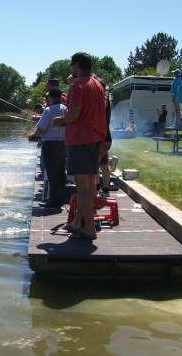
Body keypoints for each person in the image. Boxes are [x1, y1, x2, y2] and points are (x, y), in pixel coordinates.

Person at [52, 52, 107, 240]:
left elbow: (74, 115)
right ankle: (78, 222)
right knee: (89, 185)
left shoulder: (79, 86)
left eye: (71, 65)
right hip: (94, 139)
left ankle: (89, 227)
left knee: (82, 187)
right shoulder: (97, 84)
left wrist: (57, 121)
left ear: (76, 66)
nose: (70, 68)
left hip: (80, 140)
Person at [28, 89, 67, 208]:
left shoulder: (48, 110)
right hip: (62, 144)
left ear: (50, 97)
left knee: (51, 174)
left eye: (47, 97)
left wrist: (31, 136)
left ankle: (53, 201)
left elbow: (41, 130)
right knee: (60, 173)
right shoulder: (65, 108)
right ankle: (60, 199)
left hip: (50, 145)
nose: (46, 100)